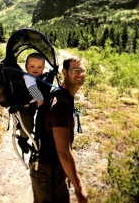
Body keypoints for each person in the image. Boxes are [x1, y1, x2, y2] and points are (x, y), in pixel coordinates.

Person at [30, 56, 88, 203]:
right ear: (64, 72)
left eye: (82, 70)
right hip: (49, 172)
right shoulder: (61, 104)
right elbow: (63, 152)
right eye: (75, 70)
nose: (79, 74)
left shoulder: (59, 95)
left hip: (44, 169)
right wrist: (79, 187)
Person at [18, 52, 46, 153]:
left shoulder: (34, 77)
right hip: (24, 109)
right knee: (28, 126)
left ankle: (23, 130)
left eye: (39, 67)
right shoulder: (29, 78)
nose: (35, 69)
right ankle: (22, 140)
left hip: (30, 106)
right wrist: (41, 100)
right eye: (32, 66)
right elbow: (33, 89)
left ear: (43, 68)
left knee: (30, 121)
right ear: (26, 67)